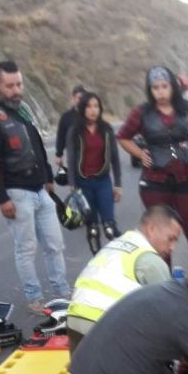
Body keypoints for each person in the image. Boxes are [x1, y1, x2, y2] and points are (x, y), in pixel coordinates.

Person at [0, 60, 71, 313]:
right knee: (26, 249)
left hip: (40, 189)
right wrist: (2, 198)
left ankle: (63, 293)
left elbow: (37, 145)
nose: (16, 90)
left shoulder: (24, 110)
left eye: (19, 84)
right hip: (16, 193)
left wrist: (49, 178)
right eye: (10, 86)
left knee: (55, 245)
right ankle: (35, 299)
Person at [117, 66, 188, 261]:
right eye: (155, 88)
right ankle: (163, 284)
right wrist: (139, 153)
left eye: (164, 86)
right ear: (150, 90)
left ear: (173, 86)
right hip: (155, 180)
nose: (160, 92)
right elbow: (123, 136)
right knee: (160, 235)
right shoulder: (142, 112)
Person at [66, 205, 180, 352]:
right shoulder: (151, 260)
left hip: (75, 319)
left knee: (83, 373)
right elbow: (170, 316)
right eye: (171, 239)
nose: (173, 247)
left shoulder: (116, 244)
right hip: (105, 326)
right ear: (151, 229)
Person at [65, 91, 122, 255]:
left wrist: (118, 184)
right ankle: (97, 261)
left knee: (110, 227)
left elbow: (115, 159)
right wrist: (73, 187)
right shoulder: (75, 131)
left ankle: (119, 258)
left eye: (96, 106)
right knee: (92, 230)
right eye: (89, 106)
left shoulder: (106, 130)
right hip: (83, 184)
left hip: (103, 182)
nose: (93, 110)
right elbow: (70, 160)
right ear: (83, 108)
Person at [54, 84, 86, 174]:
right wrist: (59, 155)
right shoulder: (66, 117)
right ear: (73, 98)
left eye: (83, 98)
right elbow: (61, 136)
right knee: (77, 185)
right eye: (78, 98)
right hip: (73, 157)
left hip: (92, 157)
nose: (81, 101)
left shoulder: (90, 115)